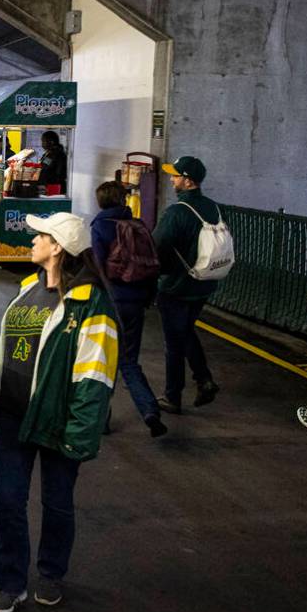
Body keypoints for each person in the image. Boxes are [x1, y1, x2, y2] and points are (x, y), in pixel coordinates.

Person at [0, 212, 118, 612]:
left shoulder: (91, 306)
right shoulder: (27, 288)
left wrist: (79, 436)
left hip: (57, 422)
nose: (31, 240)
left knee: (57, 504)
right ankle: (10, 583)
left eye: (39, 235)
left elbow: (94, 379)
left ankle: (51, 573)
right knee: (8, 502)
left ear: (57, 247)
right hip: (12, 419)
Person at [91, 180, 166, 438]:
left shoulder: (100, 225)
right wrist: (147, 297)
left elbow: (99, 267)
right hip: (136, 301)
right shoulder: (139, 225)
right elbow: (153, 264)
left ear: (101, 201)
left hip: (112, 301)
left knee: (103, 361)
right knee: (129, 360)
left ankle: (102, 420)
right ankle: (149, 410)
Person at [153, 156, 222, 415]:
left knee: (174, 342)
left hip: (177, 286)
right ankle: (204, 380)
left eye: (175, 175)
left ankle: (173, 396)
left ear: (188, 180)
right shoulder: (214, 207)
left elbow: (156, 246)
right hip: (205, 283)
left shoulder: (177, 212)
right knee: (186, 331)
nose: (172, 179)